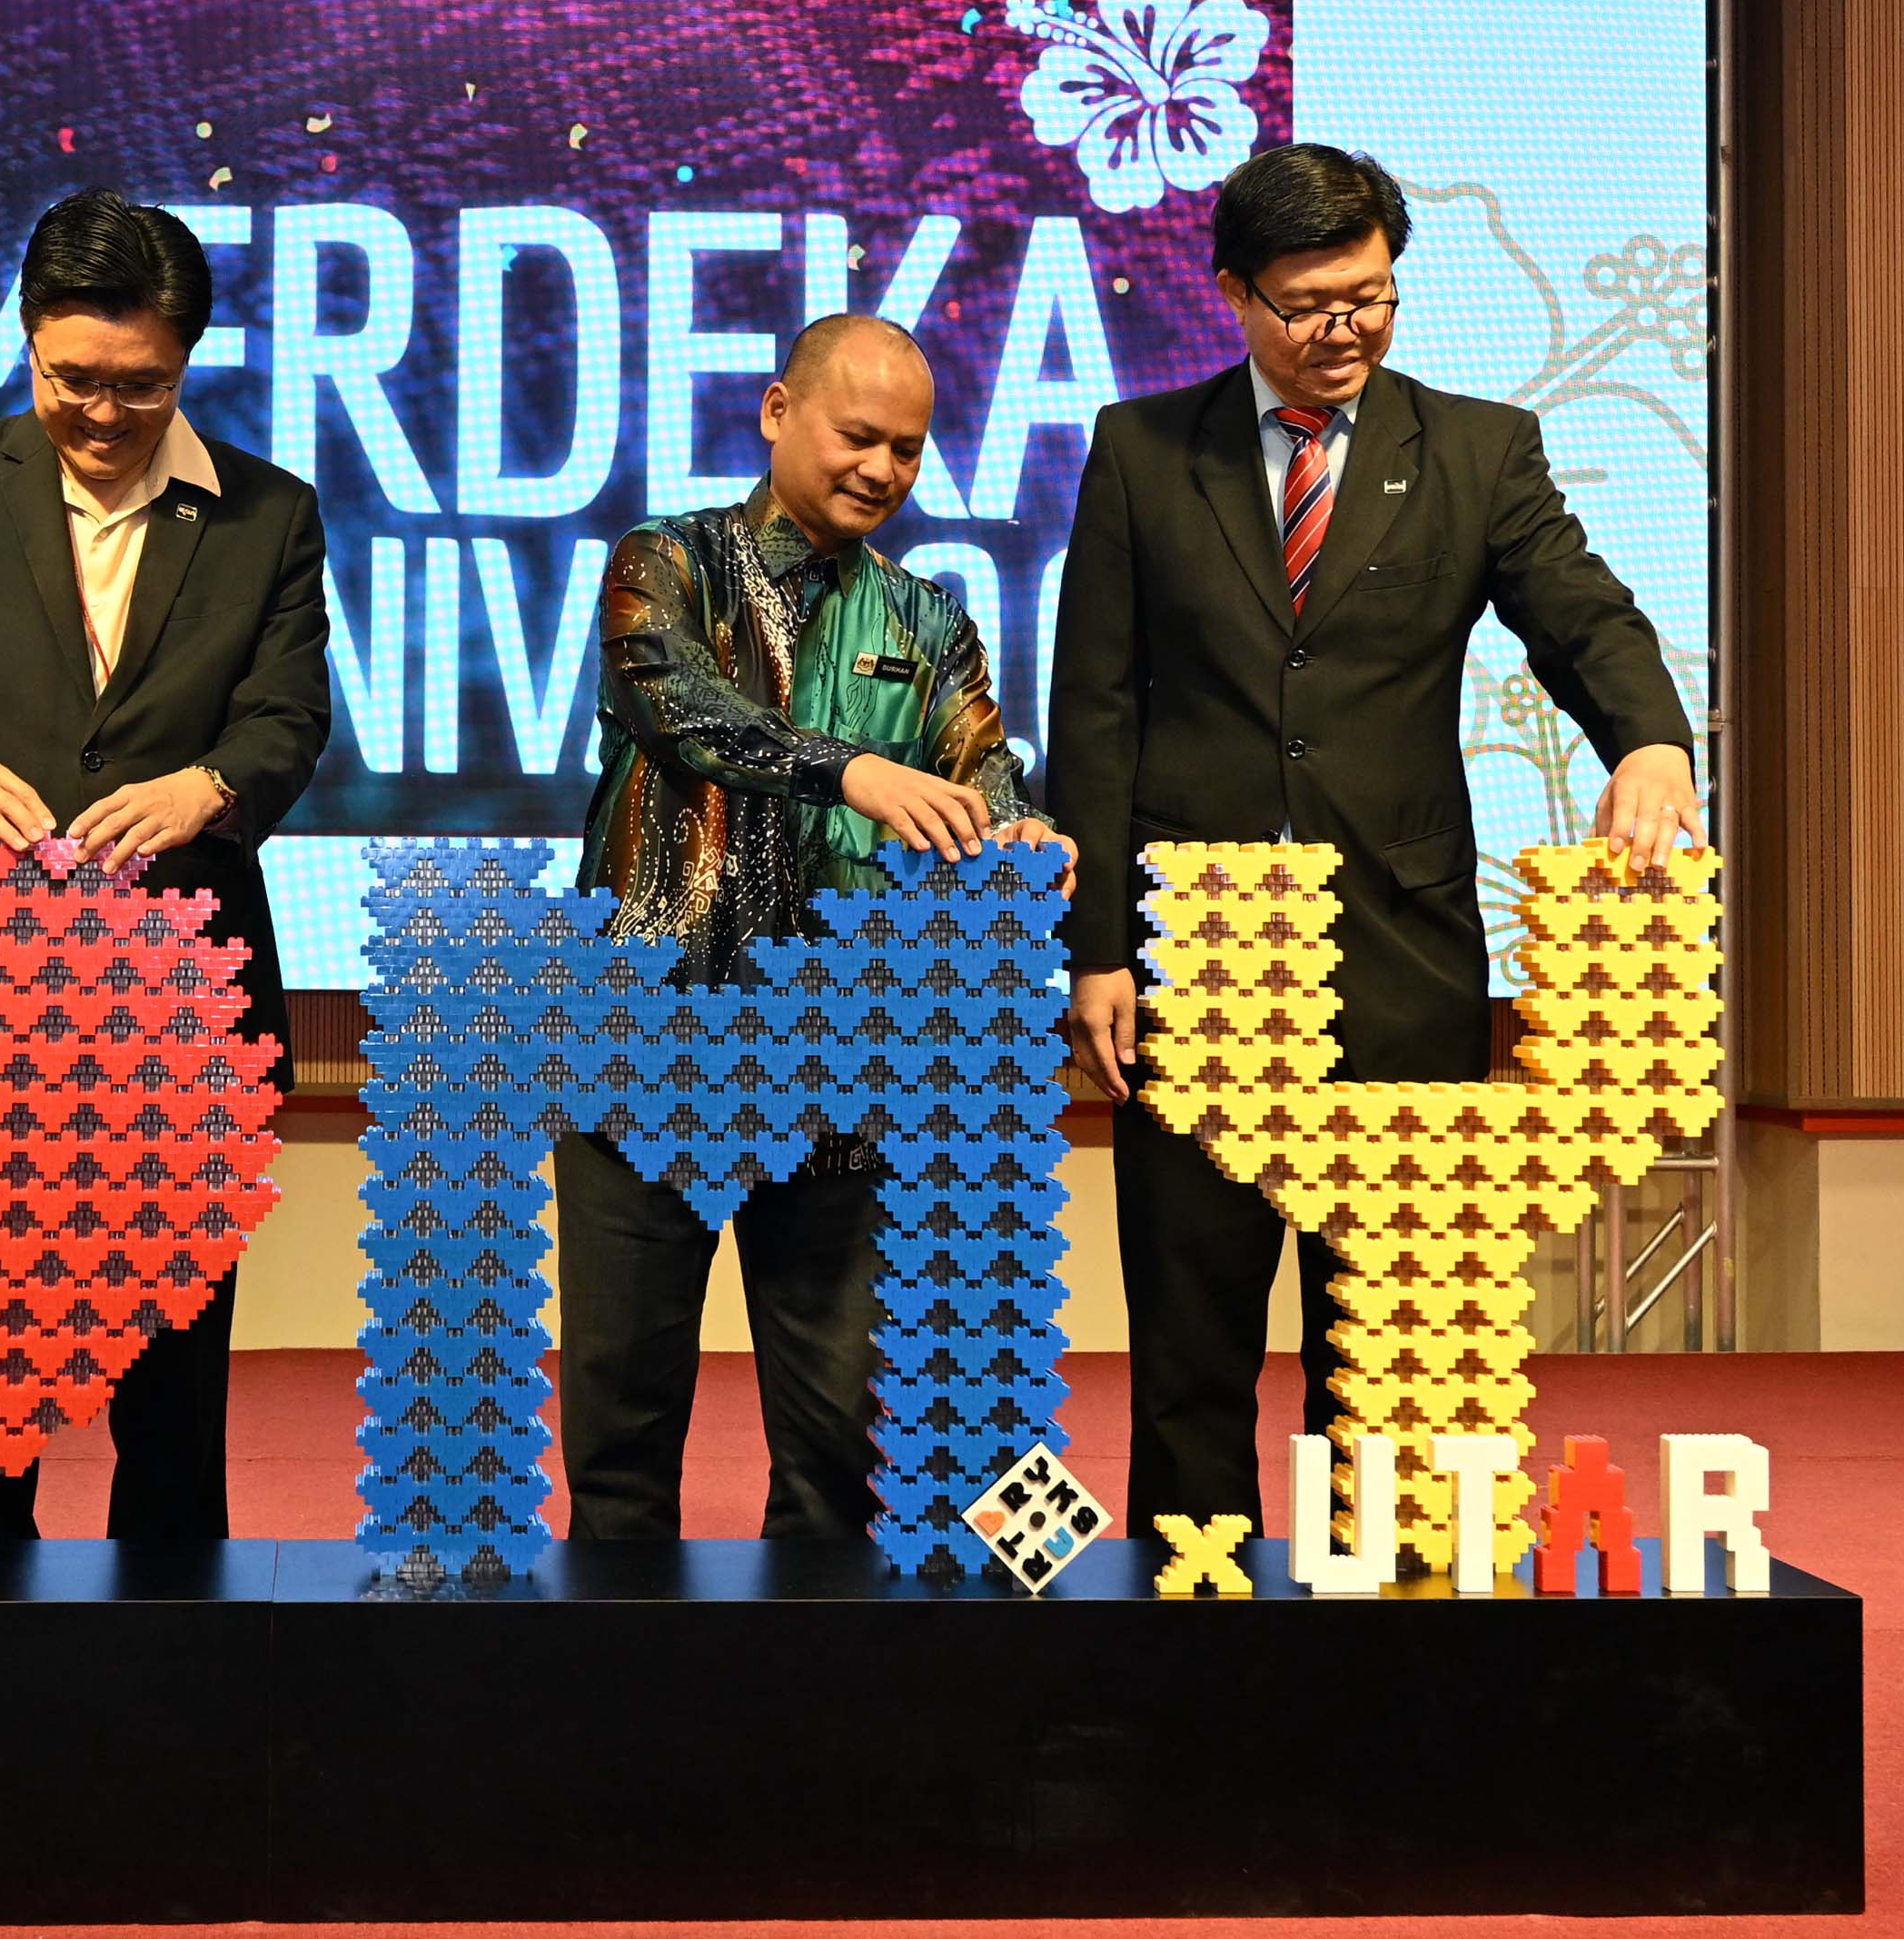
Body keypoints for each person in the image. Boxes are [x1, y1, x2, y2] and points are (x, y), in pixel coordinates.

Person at [1048, 143, 1701, 1545]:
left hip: (1399, 959)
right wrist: (1096, 953)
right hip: (1195, 955)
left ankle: (1382, 1653)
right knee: (1192, 1346)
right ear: (1234, 295)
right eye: (1308, 304)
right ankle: (1187, 1641)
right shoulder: (1142, 455)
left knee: (1395, 1357)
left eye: (1371, 297)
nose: (1343, 330)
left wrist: (1650, 738)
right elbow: (1092, 717)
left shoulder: (1474, 451)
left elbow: (1582, 614)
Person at [0, 188, 332, 1544]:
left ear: (189, 362)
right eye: (71, 381)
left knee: (168, 1394)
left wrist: (209, 788)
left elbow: (287, 719)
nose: (102, 415)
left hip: (183, 1008)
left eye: (140, 388)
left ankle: (177, 1685)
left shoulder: (268, 516)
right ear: (26, 342)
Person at [568, 313, 1059, 1539]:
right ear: (781, 410)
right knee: (622, 1446)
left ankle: (819, 1712)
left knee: (841, 1452)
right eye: (859, 436)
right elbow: (679, 710)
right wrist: (852, 771)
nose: (883, 471)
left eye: (908, 449)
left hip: (842, 1066)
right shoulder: (662, 563)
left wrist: (1022, 833)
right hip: (647, 1045)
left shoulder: (931, 619)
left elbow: (982, 768)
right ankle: (609, 1714)